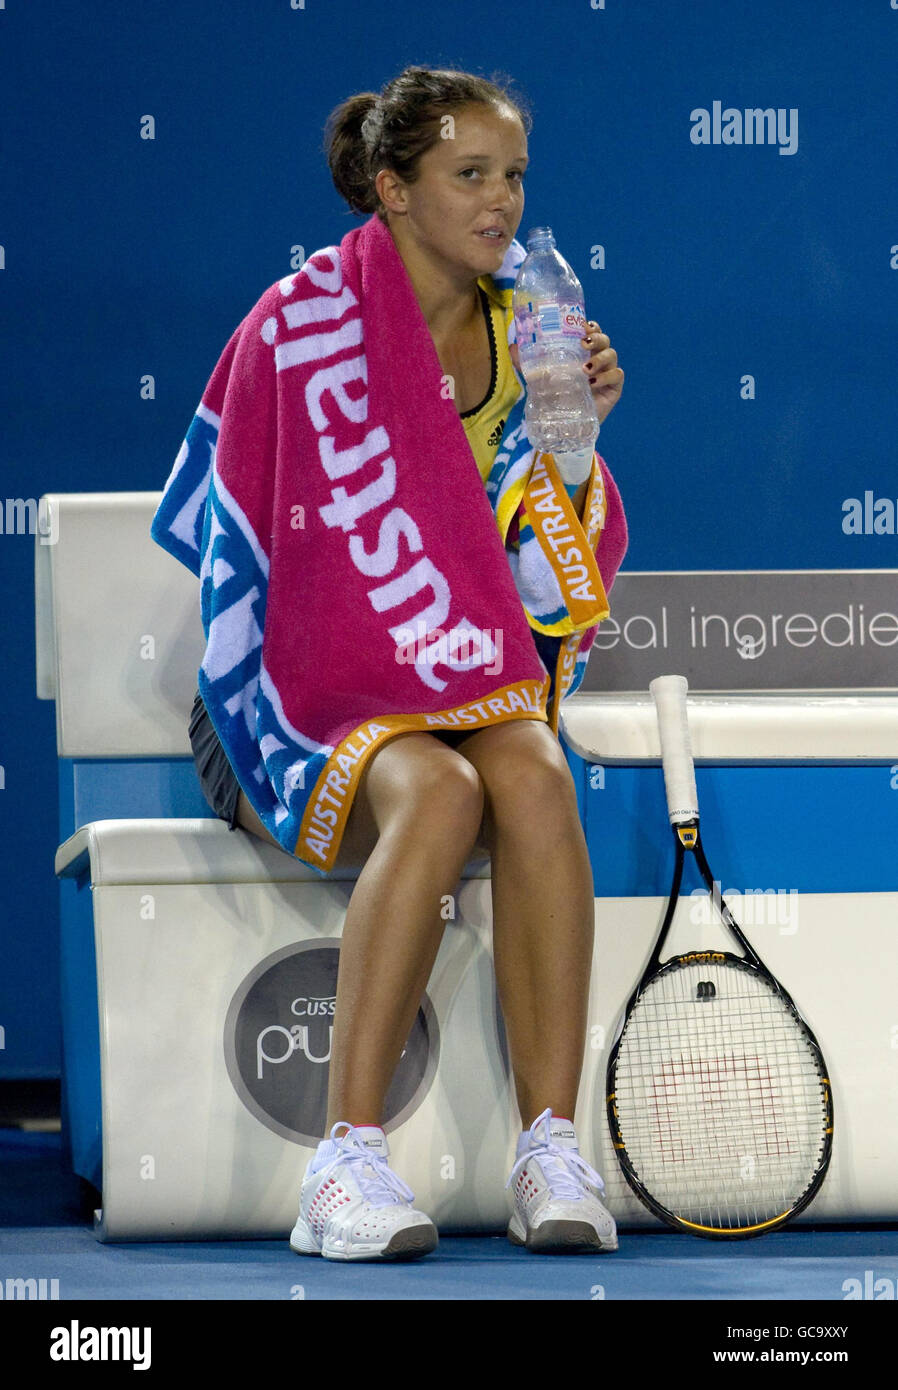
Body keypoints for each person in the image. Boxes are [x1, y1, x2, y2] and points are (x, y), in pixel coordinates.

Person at [188, 65, 626, 1262]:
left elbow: (538, 595)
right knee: (436, 785)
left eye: (514, 176)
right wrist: (364, 654)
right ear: (392, 190)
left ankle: (548, 1146)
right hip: (290, 693)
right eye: (469, 176)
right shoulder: (300, 325)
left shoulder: (532, 334)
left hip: (456, 680)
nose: (502, 203)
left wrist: (574, 449)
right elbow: (243, 547)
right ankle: (345, 1161)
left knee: (531, 765)